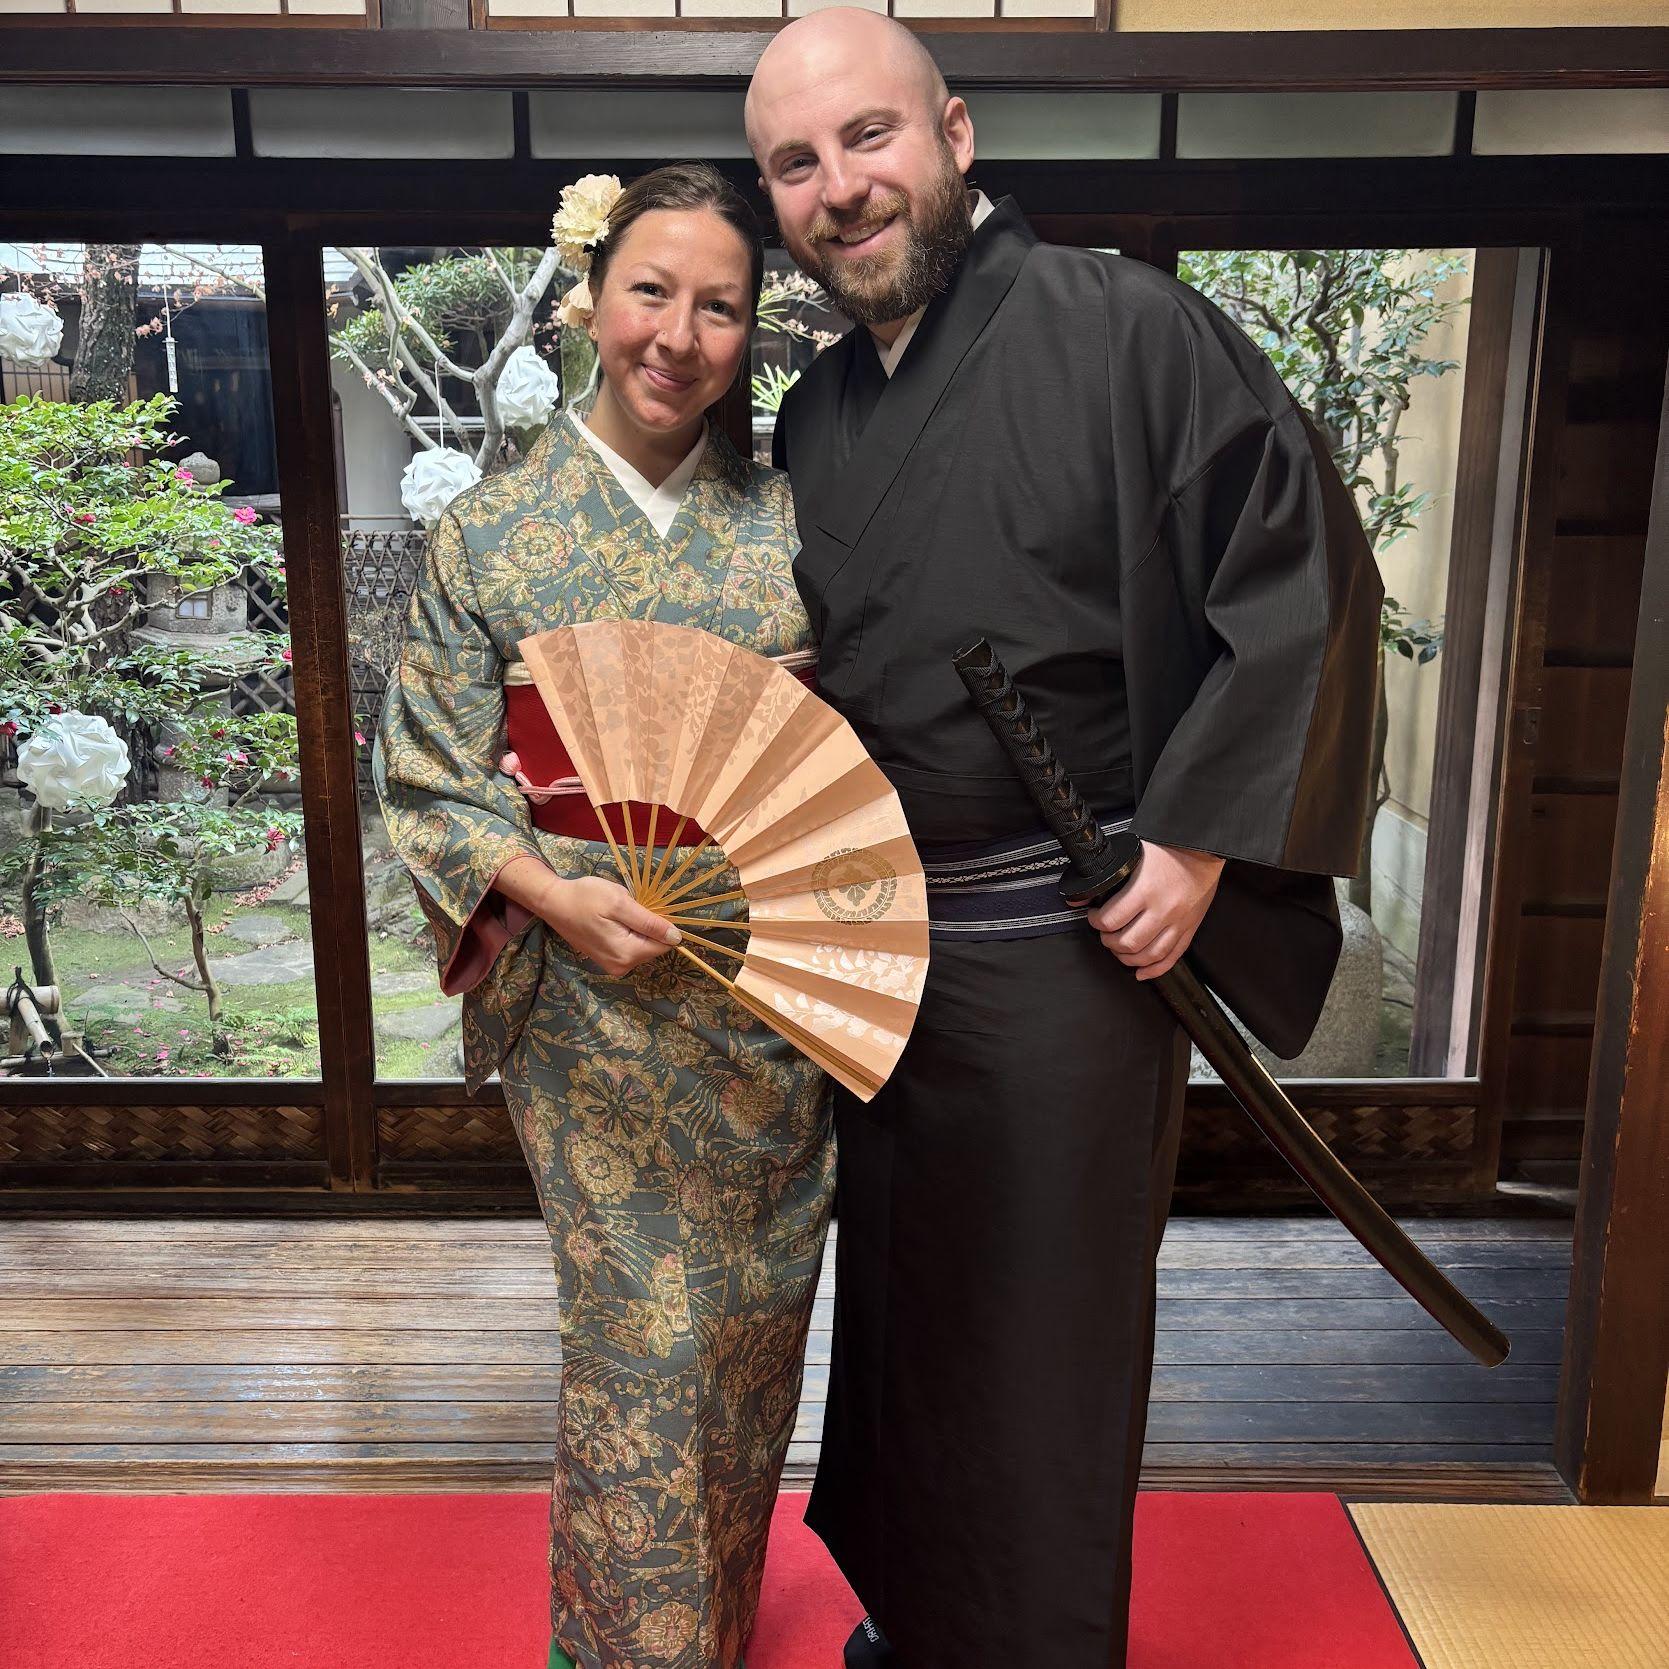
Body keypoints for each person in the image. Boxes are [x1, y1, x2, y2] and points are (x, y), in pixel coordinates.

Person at [746, 14, 1383, 1668]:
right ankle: (917, 1620)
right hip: (877, 951)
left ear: (952, 134)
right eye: (795, 163)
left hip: (1062, 947)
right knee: (905, 1320)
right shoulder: (816, 413)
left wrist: (1196, 845)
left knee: (1037, 1342)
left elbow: (1302, 582)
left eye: (868, 137)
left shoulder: (1130, 333)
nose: (839, 188)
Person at [375, 163, 833, 1669]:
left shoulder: (792, 526)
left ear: (751, 331)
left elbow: (849, 764)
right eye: (650, 291)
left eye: (720, 306)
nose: (678, 336)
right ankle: (629, 1650)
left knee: (753, 1332)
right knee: (640, 1339)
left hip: (768, 1005)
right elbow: (430, 776)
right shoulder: (491, 534)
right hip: (590, 1014)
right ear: (587, 298)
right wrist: (551, 893)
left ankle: (710, 1622)